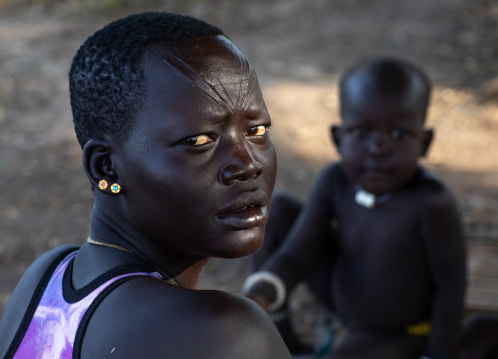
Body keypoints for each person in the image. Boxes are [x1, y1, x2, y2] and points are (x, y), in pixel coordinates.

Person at [0, 12, 291, 359]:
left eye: (256, 130)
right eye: (199, 140)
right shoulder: (224, 334)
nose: (248, 164)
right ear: (106, 166)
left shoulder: (49, 278)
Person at [243, 56, 467, 359]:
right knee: (279, 210)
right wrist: (261, 293)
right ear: (338, 138)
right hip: (343, 295)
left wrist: (435, 354)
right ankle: (283, 340)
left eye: (399, 134)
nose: (379, 147)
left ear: (424, 142)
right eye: (362, 133)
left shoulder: (431, 202)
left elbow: (450, 291)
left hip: (398, 332)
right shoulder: (335, 180)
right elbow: (298, 252)